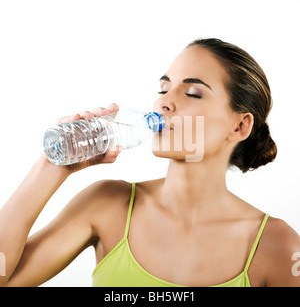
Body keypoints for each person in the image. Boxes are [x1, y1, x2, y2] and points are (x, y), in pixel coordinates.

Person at [1, 38, 299, 287]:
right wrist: (52, 165)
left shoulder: (279, 246)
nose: (164, 102)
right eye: (163, 89)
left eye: (193, 93)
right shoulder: (107, 204)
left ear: (239, 127)